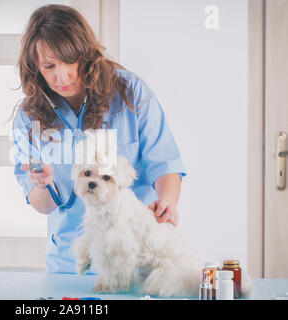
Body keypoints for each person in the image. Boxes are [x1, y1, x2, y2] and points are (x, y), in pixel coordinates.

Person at [10, 5, 187, 274]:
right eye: (49, 66)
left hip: (132, 259)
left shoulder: (130, 93)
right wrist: (43, 184)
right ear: (35, 67)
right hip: (70, 264)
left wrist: (167, 203)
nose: (62, 76)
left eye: (70, 61)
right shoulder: (28, 117)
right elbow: (42, 205)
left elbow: (164, 164)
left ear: (86, 54)